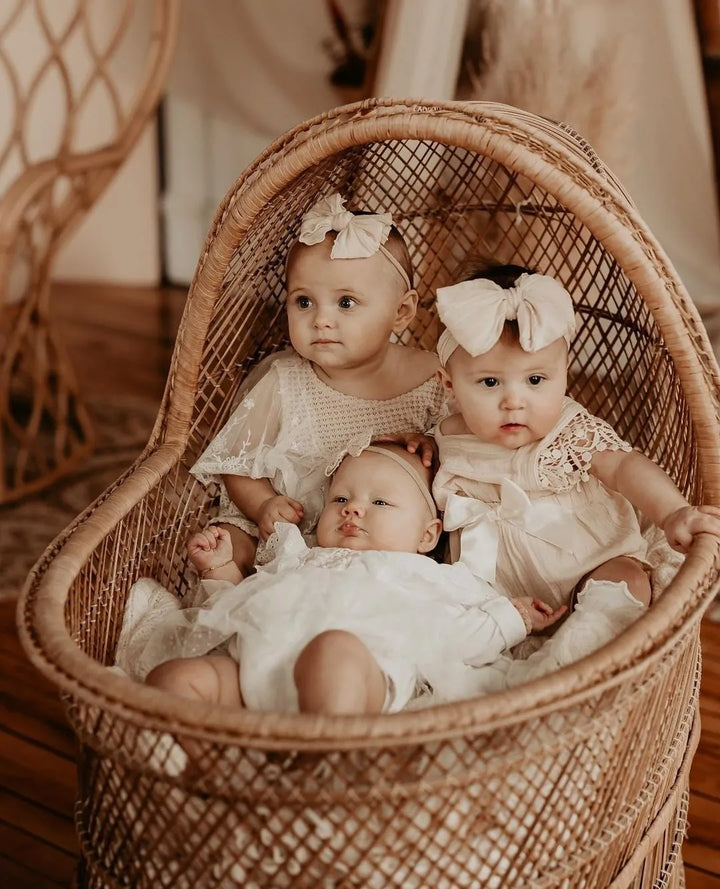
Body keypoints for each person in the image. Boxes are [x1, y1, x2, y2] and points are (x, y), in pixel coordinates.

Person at [143, 443, 566, 715]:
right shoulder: (298, 557)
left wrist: (514, 619)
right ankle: (218, 777)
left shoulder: (426, 575)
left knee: (332, 652)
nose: (353, 509)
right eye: (341, 498)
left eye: (380, 502)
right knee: (173, 680)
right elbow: (248, 607)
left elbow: (454, 633)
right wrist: (220, 571)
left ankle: (322, 775)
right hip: (254, 679)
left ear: (427, 535)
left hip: (355, 689)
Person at [431, 262, 720, 628]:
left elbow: (624, 466)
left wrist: (673, 512)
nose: (514, 401)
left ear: (564, 375)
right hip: (494, 593)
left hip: (589, 564)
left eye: (535, 379)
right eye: (490, 383)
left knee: (624, 585)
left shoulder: (567, 429)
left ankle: (576, 660)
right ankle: (530, 671)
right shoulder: (444, 435)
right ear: (449, 385)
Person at [190, 192, 446, 579]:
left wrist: (435, 447)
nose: (321, 320)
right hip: (290, 541)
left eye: (345, 303)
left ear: (401, 312)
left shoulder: (434, 377)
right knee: (230, 538)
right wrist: (264, 506)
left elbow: (466, 454)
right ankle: (227, 580)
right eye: (304, 302)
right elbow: (237, 464)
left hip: (388, 546)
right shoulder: (284, 382)